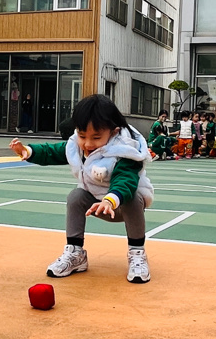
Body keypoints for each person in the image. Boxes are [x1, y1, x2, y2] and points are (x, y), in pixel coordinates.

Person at [9, 94, 153, 283]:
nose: (88, 144)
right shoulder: (77, 145)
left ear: (114, 132)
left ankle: (137, 253)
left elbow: (125, 179)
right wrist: (28, 151)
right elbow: (53, 152)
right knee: (76, 196)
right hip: (94, 203)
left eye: (96, 137)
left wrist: (110, 199)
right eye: (82, 135)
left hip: (121, 203)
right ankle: (76, 253)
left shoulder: (127, 150)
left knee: (133, 198)